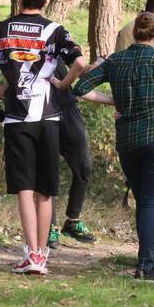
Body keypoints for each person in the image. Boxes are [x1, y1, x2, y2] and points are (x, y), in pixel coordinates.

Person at [0, 0, 87, 275]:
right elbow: (79, 63)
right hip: (49, 118)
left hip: (17, 118)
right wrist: (63, 84)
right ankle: (42, 255)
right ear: (45, 0)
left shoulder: (1, 29)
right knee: (46, 190)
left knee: (25, 190)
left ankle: (31, 256)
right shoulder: (55, 31)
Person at [71, 12, 154, 283]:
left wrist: (111, 101)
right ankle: (147, 266)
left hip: (128, 141)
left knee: (144, 202)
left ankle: (149, 259)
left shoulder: (116, 61)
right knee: (152, 203)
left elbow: (79, 87)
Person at [45, 57, 107, 250]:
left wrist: (112, 99)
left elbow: (77, 73)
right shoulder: (30, 43)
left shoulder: (59, 41)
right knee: (48, 173)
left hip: (69, 111)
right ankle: (49, 227)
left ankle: (72, 221)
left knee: (84, 168)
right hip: (44, 112)